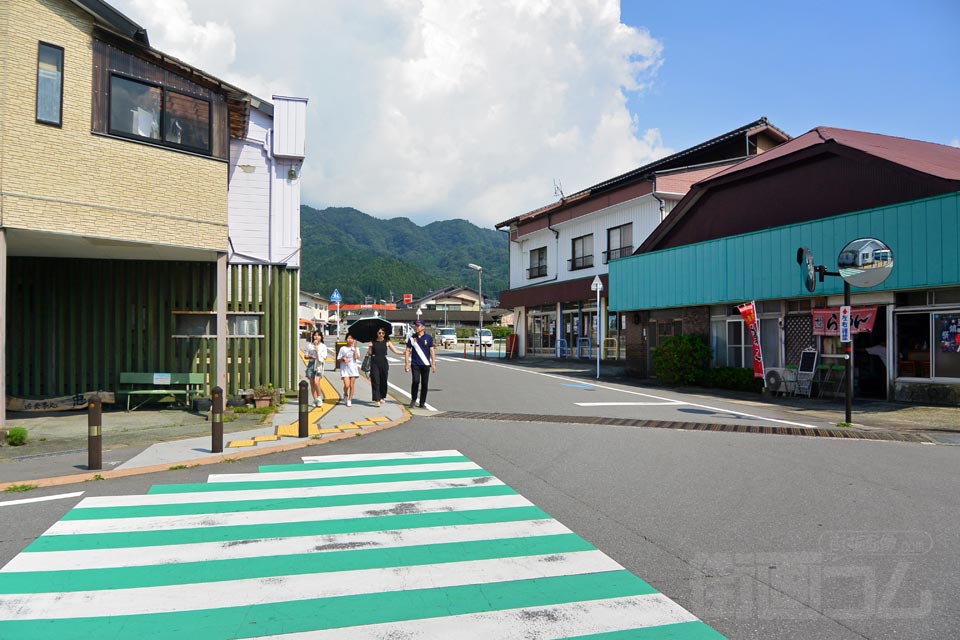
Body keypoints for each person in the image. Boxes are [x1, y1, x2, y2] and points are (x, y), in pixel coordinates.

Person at [404, 319, 436, 408]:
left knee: (424, 384)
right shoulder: (412, 338)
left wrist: (433, 363)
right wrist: (406, 363)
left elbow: (432, 350)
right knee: (415, 381)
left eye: (418, 326)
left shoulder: (428, 338)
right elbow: (407, 351)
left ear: (423, 327)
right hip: (415, 364)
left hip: (426, 364)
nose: (416, 327)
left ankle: (422, 402)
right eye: (416, 325)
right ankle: (413, 399)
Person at [368, 327, 404, 407]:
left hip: (383, 362)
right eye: (379, 333)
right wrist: (370, 347)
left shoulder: (387, 342)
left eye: (383, 333)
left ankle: (382, 396)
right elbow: (369, 353)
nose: (381, 334)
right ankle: (377, 399)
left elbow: (395, 351)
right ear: (377, 333)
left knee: (383, 380)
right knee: (375, 380)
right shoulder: (373, 342)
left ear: (385, 334)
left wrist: (405, 353)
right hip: (374, 362)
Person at [305, 330, 329, 407]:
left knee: (316, 381)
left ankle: (319, 398)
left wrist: (317, 350)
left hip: (319, 365)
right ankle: (315, 399)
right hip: (311, 364)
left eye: (318, 335)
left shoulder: (323, 346)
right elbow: (305, 356)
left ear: (321, 337)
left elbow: (325, 357)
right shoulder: (310, 345)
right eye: (315, 335)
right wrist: (310, 356)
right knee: (312, 383)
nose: (316, 337)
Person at [337, 334, 361, 407]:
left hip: (353, 369)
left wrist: (355, 348)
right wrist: (343, 359)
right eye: (348, 338)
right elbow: (338, 359)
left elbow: (356, 357)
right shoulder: (343, 348)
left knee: (351, 385)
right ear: (346, 339)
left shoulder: (355, 348)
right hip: (345, 369)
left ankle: (350, 400)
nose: (350, 340)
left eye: (351, 338)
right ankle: (345, 394)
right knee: (347, 385)